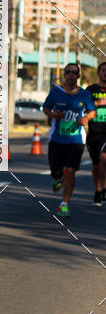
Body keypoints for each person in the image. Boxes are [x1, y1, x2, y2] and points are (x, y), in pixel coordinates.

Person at [42, 62, 96, 217]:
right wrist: (53, 115)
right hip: (57, 139)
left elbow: (92, 111)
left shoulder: (85, 94)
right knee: (55, 170)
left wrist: (86, 117)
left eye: (74, 72)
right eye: (68, 72)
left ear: (79, 76)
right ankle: (58, 177)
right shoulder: (55, 92)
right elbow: (45, 107)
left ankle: (64, 204)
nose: (71, 74)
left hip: (76, 140)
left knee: (71, 170)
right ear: (64, 75)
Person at [86, 60, 106, 205]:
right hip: (94, 131)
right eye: (103, 70)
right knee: (96, 165)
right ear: (98, 73)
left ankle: (105, 188)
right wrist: (98, 104)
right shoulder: (91, 89)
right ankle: (98, 190)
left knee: (104, 158)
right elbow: (84, 108)